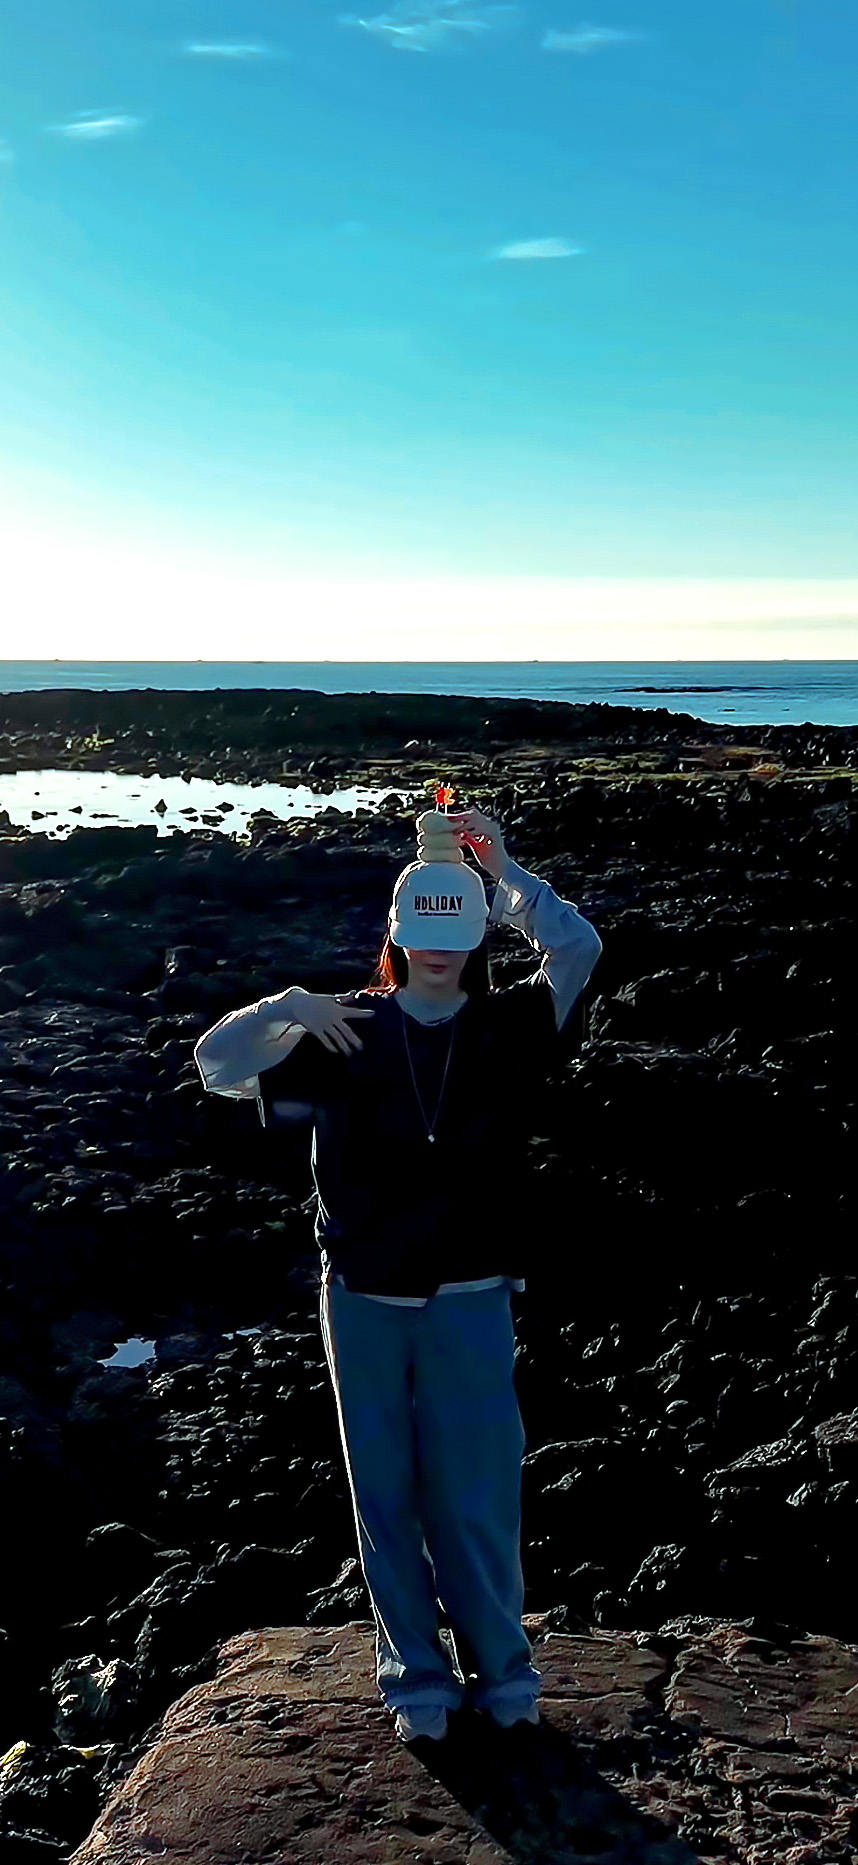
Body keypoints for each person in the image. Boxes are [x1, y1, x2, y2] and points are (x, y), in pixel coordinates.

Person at [194, 804, 602, 1745]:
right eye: (425, 931)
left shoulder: (509, 1025)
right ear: (396, 934)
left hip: (471, 1296)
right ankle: (416, 1676)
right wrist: (285, 1005)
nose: (440, 952)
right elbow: (216, 1064)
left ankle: (504, 1672)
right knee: (383, 1493)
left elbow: (578, 949)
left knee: (478, 1494)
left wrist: (507, 879)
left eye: (457, 931)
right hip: (363, 1298)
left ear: (477, 933)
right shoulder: (344, 1028)